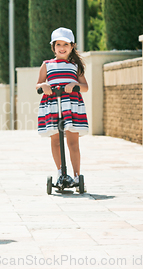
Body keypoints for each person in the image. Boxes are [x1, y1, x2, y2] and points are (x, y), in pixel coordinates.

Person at [35, 27, 89, 190]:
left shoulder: (75, 65)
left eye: (65, 44)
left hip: (71, 105)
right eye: (58, 44)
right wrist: (43, 86)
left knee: (73, 142)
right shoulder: (47, 64)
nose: (62, 47)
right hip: (52, 105)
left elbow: (85, 87)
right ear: (53, 47)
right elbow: (38, 84)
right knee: (56, 140)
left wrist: (75, 85)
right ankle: (60, 172)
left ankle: (77, 175)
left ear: (72, 46)